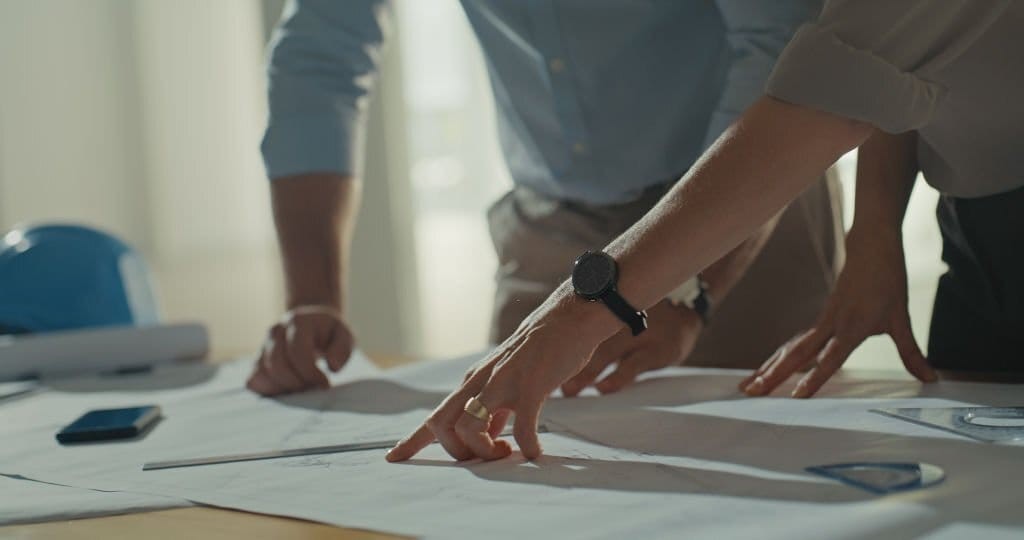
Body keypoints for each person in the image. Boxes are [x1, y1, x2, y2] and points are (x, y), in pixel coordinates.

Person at [386, 0, 1022, 463]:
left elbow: (819, 98)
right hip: (973, 231)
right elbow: (892, 64)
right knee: (979, 473)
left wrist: (579, 311)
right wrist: (875, 228)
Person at [247, 0, 843, 398]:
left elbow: (783, 53)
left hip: (743, 200)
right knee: (509, 471)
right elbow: (318, 60)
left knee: (771, 468)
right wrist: (313, 298)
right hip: (548, 228)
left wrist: (691, 292)